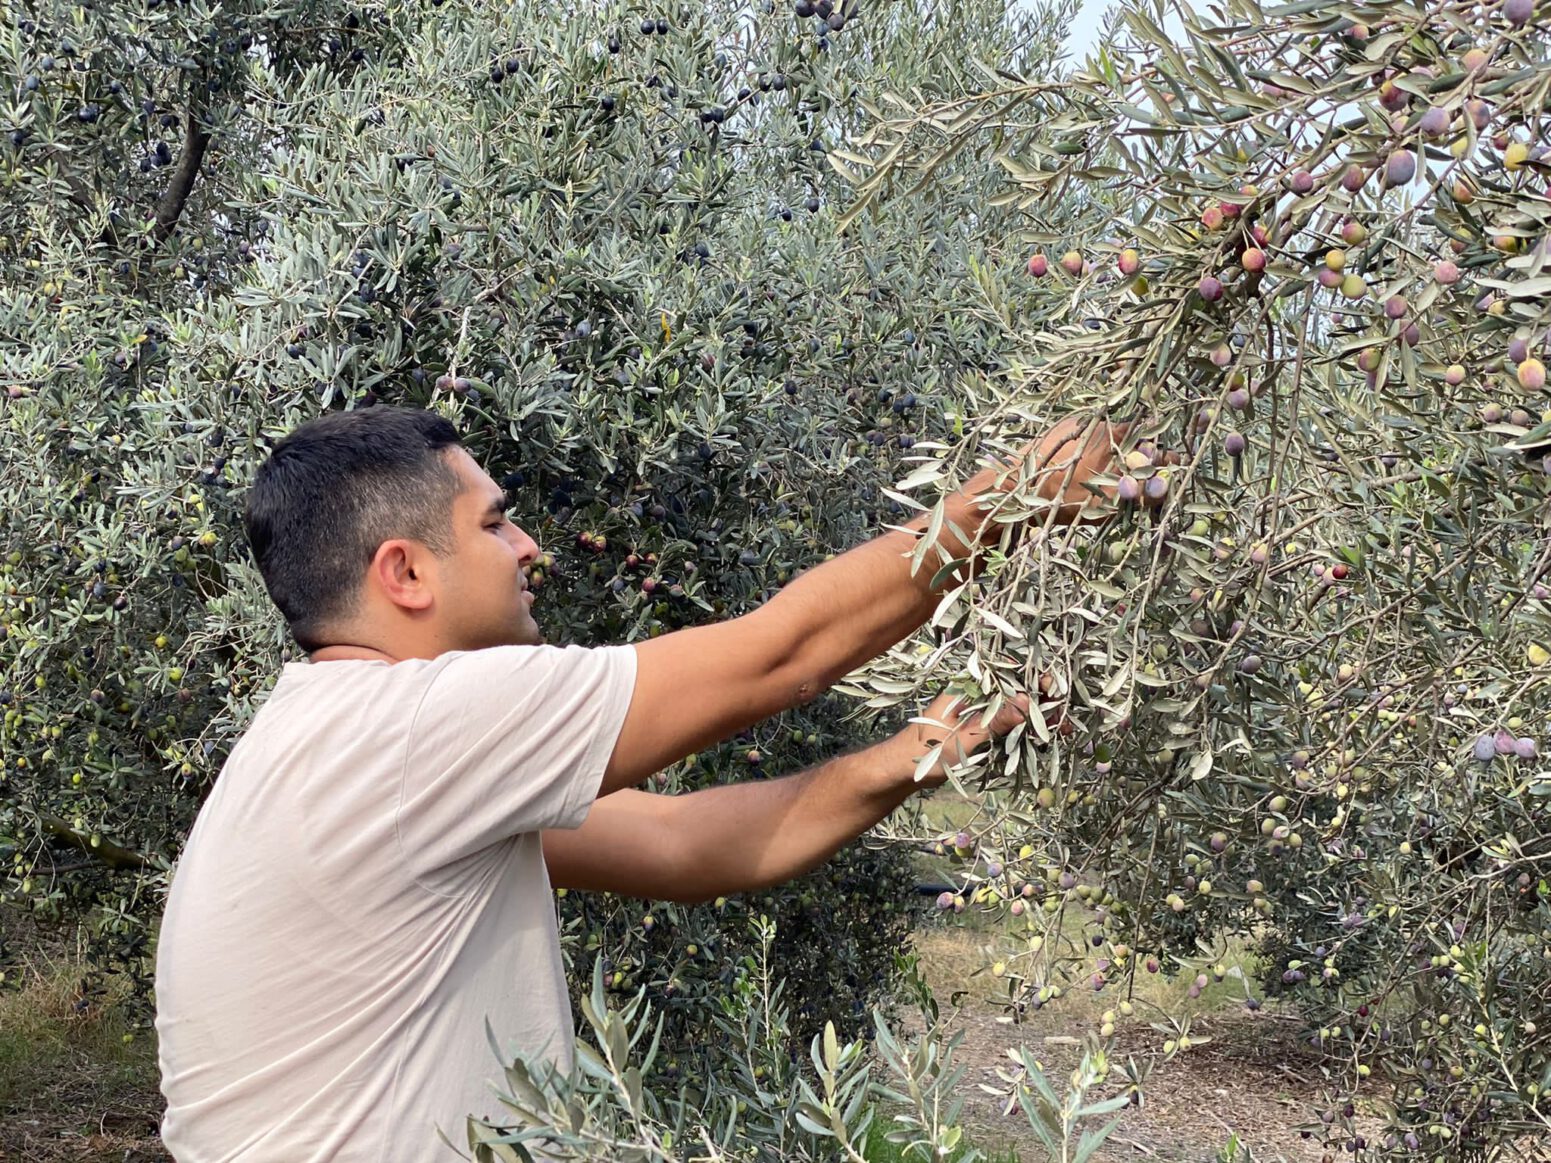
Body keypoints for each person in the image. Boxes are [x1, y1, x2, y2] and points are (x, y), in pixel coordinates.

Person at [153, 404, 1128, 1161]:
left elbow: (687, 846)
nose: (528, 544)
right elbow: (782, 656)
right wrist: (1017, 496)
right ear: (405, 572)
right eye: (495, 523)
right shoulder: (409, 730)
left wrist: (919, 748)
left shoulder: (349, 755)